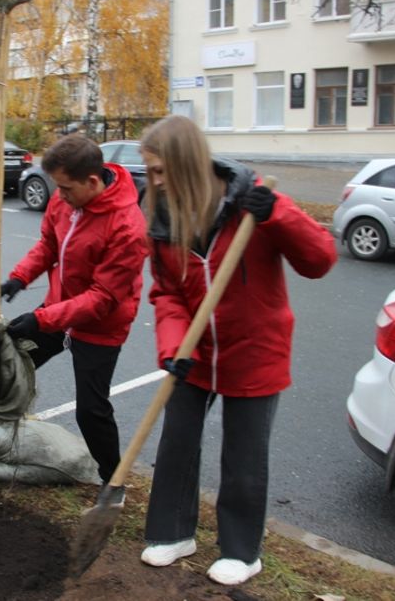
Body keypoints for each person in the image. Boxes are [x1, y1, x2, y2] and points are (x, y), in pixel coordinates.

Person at [137, 115, 337, 585]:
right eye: (151, 172)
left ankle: (242, 551)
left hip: (255, 351)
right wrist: (171, 348)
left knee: (244, 456)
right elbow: (166, 293)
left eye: (162, 171)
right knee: (176, 443)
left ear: (188, 164)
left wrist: (278, 215)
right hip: (195, 351)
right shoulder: (163, 218)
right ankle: (172, 532)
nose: (155, 182)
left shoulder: (253, 205)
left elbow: (321, 259)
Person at [0, 134, 148, 497]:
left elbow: (101, 299)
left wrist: (42, 320)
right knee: (8, 362)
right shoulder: (65, 199)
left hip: (101, 326)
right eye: (56, 187)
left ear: (93, 181)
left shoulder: (128, 227)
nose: (59, 196)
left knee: (91, 410)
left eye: (66, 188)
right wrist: (19, 278)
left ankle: (113, 482)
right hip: (57, 309)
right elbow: (48, 245)